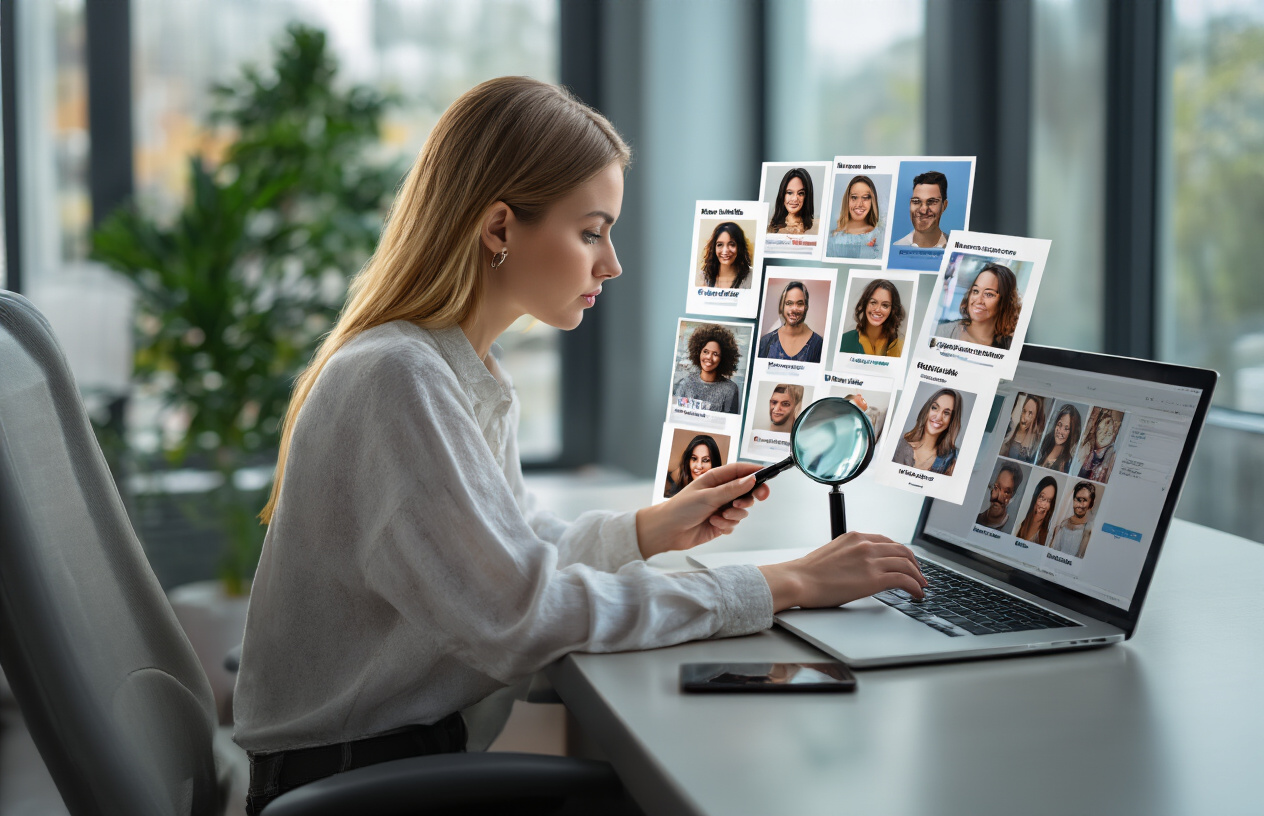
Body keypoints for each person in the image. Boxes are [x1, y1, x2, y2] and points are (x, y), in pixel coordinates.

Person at [234, 77, 926, 813]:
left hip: (379, 764)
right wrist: (786, 585)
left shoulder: (456, 369)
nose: (612, 264)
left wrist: (647, 530)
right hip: (349, 786)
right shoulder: (398, 379)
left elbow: (507, 553)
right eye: (592, 231)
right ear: (500, 228)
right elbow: (521, 617)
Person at [934, 263, 1021, 349]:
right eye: (975, 291)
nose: (978, 301)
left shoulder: (1011, 346)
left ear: (1005, 302)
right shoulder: (940, 332)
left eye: (989, 294)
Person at [671, 324, 742, 414]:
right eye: (705, 351)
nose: (709, 357)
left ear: (723, 358)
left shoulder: (730, 389)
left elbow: (729, 424)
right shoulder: (685, 383)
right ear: (698, 352)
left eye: (715, 354)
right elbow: (676, 415)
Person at [892, 388, 961, 475]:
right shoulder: (898, 443)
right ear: (927, 410)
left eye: (946, 413)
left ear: (952, 420)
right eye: (935, 408)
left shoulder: (952, 460)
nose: (938, 417)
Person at [757, 281, 824, 363]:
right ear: (782, 306)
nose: (794, 309)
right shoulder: (766, 341)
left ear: (806, 306)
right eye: (789, 303)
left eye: (799, 304)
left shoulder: (818, 343)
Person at [837, 279, 906, 358]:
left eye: (885, 305)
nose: (877, 309)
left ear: (892, 310)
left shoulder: (901, 348)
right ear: (865, 304)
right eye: (873, 302)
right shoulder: (844, 341)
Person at [826, 175, 882, 259]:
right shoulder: (832, 235)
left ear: (872, 201)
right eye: (854, 197)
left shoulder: (879, 235)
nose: (859, 204)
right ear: (847, 199)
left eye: (865, 198)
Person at [893, 170, 948, 248]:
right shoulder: (897, 247)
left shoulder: (954, 248)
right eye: (916, 201)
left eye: (932, 202)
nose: (923, 210)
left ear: (944, 206)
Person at [698, 221, 754, 289]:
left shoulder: (752, 276)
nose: (725, 251)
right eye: (720, 245)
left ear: (740, 247)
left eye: (732, 244)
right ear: (714, 247)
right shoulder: (703, 277)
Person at [1049, 482, 1097, 558]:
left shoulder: (1089, 529)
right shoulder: (1062, 526)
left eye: (1084, 500)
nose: (1080, 505)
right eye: (1078, 499)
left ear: (1090, 504)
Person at [975, 463, 1023, 531]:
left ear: (1013, 495)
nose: (998, 497)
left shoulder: (1011, 530)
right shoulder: (975, 518)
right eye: (996, 488)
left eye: (1006, 492)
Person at [1077, 409, 1121, 482]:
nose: (1105, 434)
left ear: (1113, 434)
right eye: (1101, 430)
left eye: (1109, 433)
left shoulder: (1110, 454)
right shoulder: (1087, 450)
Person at [1035, 404, 1082, 473]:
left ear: (1072, 433)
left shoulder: (1066, 464)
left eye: (1066, 428)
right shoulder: (1043, 446)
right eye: (1059, 425)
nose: (1060, 431)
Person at [998, 395, 1046, 462]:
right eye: (1024, 411)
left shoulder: (1037, 445)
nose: (1025, 417)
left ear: (1036, 418)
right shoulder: (1010, 432)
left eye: (1030, 413)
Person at [767, 168, 815, 235]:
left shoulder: (816, 228)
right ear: (782, 195)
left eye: (800, 193)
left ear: (806, 197)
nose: (795, 198)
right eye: (789, 193)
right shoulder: (771, 230)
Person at [1015, 476, 1059, 546]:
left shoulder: (1048, 538)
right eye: (1042, 497)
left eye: (1049, 500)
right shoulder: (1019, 527)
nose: (1044, 505)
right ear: (1035, 497)